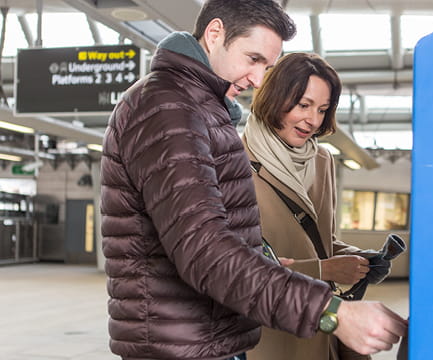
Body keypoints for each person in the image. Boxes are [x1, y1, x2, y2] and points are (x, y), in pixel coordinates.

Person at [100, 1, 407, 359]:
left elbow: (235, 241)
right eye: (253, 59)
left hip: (211, 338)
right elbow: (205, 250)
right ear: (215, 34)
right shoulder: (168, 108)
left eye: (268, 66)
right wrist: (330, 312)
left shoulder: (202, 111)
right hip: (184, 346)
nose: (259, 80)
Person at [243, 53, 393, 360]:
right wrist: (324, 269)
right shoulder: (233, 160)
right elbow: (233, 266)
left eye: (323, 110)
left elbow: (321, 238)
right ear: (275, 98)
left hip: (320, 326)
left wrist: (357, 259)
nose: (313, 120)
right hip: (266, 331)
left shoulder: (322, 160)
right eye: (303, 105)